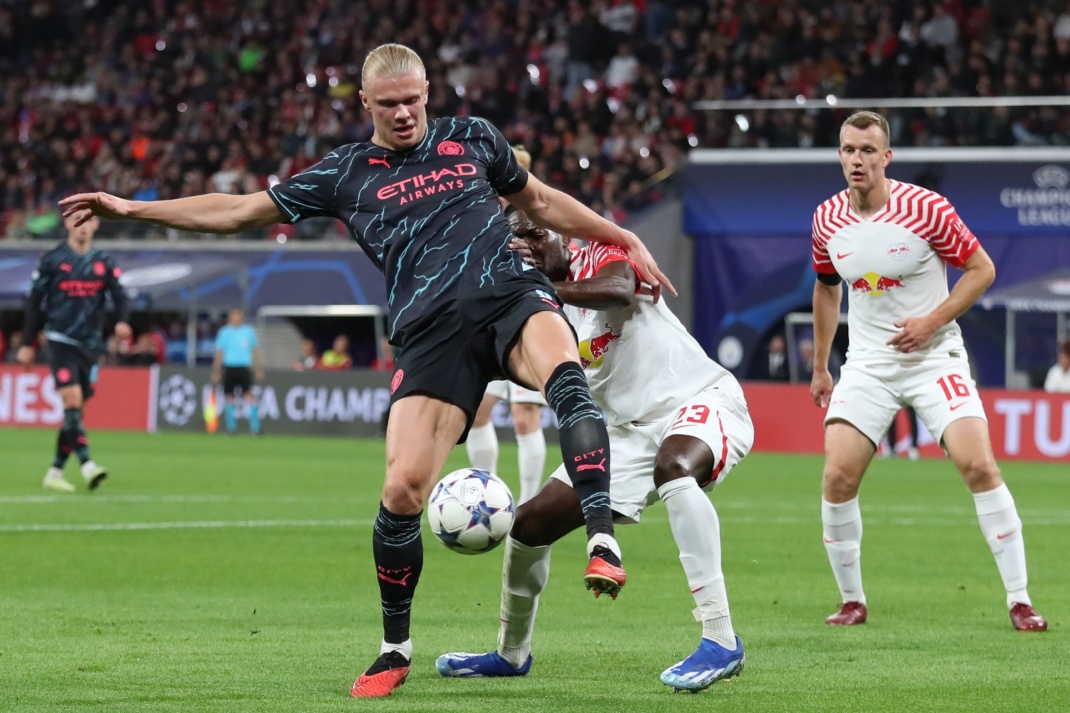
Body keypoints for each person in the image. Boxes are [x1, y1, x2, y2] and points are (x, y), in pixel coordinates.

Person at [60, 42, 673, 698]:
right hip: (429, 334)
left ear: (429, 90)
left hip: (507, 292)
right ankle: (394, 647)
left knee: (565, 376)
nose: (404, 113)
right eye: (389, 104)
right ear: (364, 104)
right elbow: (237, 210)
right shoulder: (345, 172)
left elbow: (544, 200)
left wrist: (622, 235)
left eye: (412, 99)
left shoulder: (473, 139)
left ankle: (601, 539)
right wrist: (129, 209)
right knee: (403, 490)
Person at [437, 210, 752, 692]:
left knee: (674, 469)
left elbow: (620, 290)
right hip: (625, 432)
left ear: (564, 234)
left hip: (699, 401)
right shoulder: (539, 323)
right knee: (529, 523)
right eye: (518, 244)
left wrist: (542, 293)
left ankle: (720, 637)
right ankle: (510, 652)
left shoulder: (604, 250)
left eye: (536, 235)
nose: (529, 247)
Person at [810, 110, 1046, 632]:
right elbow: (827, 287)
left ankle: (1020, 599)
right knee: (837, 475)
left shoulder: (925, 208)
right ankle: (852, 601)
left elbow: (982, 269)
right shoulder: (826, 219)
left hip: (934, 356)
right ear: (840, 155)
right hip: (869, 363)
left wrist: (932, 321)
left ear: (886, 157)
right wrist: (822, 365)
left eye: (868, 151)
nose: (857, 159)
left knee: (979, 466)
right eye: (849, 150)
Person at [17, 213, 130, 493]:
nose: (82, 225)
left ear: (96, 225)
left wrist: (122, 321)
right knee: (72, 400)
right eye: (76, 220)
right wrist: (27, 342)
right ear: (67, 224)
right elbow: (34, 301)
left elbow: (119, 295)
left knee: (75, 413)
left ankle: (54, 471)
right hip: (60, 339)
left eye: (87, 220)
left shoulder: (104, 261)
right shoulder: (53, 259)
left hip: (91, 345)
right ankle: (87, 465)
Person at [466, 143, 550, 506]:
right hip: (493, 321)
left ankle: (528, 504)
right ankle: (490, 494)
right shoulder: (483, 212)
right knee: (477, 412)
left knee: (523, 416)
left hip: (530, 318)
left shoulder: (534, 215)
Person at [211, 308, 264, 436]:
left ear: (242, 317)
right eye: (234, 317)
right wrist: (216, 372)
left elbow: (255, 351)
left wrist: (258, 368)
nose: (236, 319)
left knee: (249, 395)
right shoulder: (224, 332)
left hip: (244, 367)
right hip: (229, 367)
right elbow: (219, 353)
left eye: (238, 316)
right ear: (230, 318)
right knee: (229, 396)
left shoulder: (249, 332)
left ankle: (255, 427)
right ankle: (231, 427)